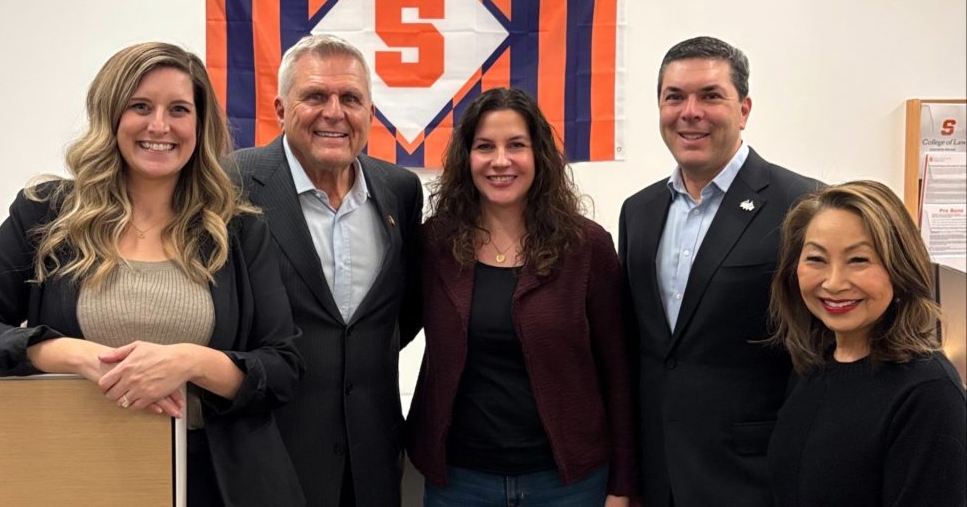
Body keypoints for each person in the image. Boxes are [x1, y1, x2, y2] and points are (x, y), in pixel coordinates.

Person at [0, 42, 305, 506]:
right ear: (111, 115)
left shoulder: (238, 229)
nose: (160, 126)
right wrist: (72, 355)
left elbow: (283, 368)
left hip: (216, 484)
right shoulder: (45, 214)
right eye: (140, 106)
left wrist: (190, 362)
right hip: (74, 474)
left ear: (199, 125)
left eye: (179, 109)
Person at [406, 87, 636, 506]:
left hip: (568, 485)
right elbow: (391, 330)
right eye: (485, 146)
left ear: (539, 155)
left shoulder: (586, 247)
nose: (500, 161)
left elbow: (619, 372)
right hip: (460, 483)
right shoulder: (434, 245)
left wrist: (623, 487)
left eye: (516, 145)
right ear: (466, 157)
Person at [617, 36, 819, 507]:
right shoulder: (638, 211)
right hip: (659, 472)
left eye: (710, 96)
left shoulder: (802, 205)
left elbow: (821, 348)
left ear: (743, 109)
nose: (690, 112)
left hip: (754, 475)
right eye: (674, 97)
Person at [229, 34, 422, 507]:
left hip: (372, 462)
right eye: (315, 96)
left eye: (350, 99)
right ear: (281, 109)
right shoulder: (232, 185)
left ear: (370, 113)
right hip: (268, 456)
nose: (334, 113)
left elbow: (403, 313)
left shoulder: (399, 189)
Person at [766, 180, 966, 506]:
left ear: (899, 269)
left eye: (858, 260)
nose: (834, 283)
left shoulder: (928, 392)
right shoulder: (814, 365)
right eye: (816, 259)